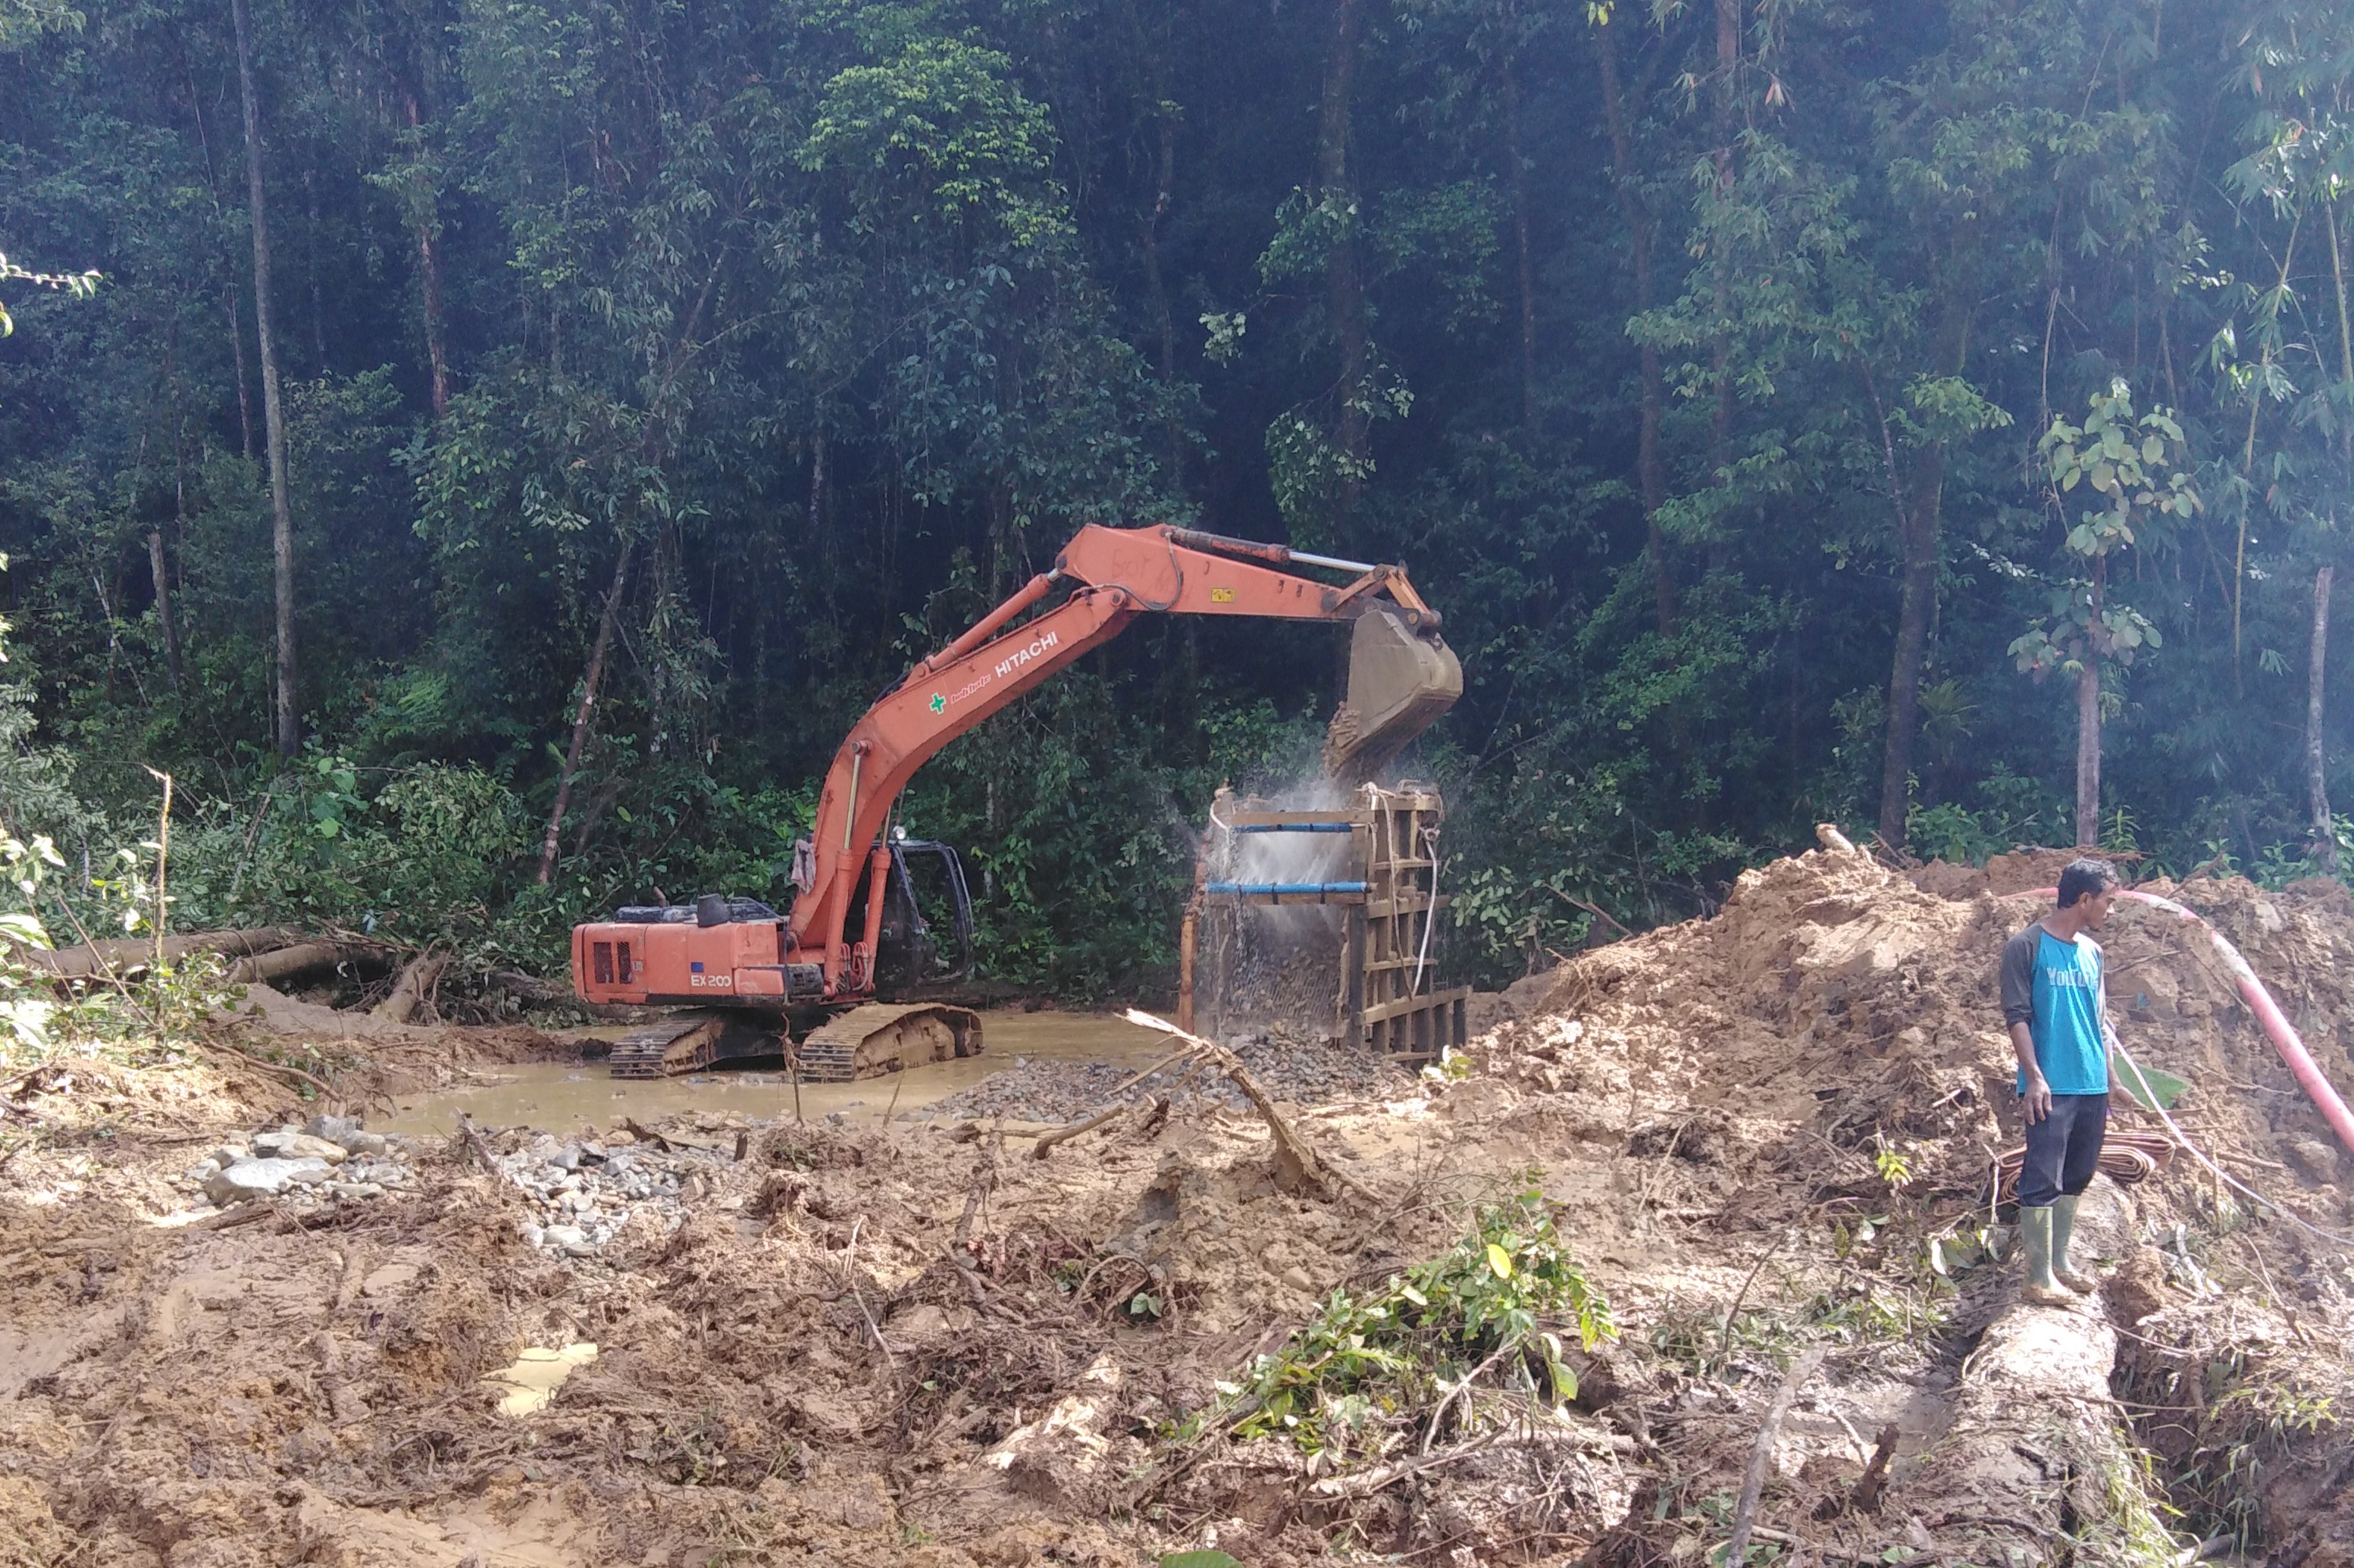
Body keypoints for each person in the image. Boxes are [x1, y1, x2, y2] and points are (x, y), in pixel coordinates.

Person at [1999, 857, 2121, 1307]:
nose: (2111, 909)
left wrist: (2112, 1078)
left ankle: (2060, 1262)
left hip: (2091, 1083)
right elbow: (2018, 1016)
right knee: (2042, 1175)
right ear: (2085, 899)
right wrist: (2034, 1077)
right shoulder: (2026, 946)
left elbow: (2100, 1020)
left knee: (2079, 1174)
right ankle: (2037, 1275)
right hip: (2051, 1083)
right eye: (2108, 900)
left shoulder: (2093, 954)